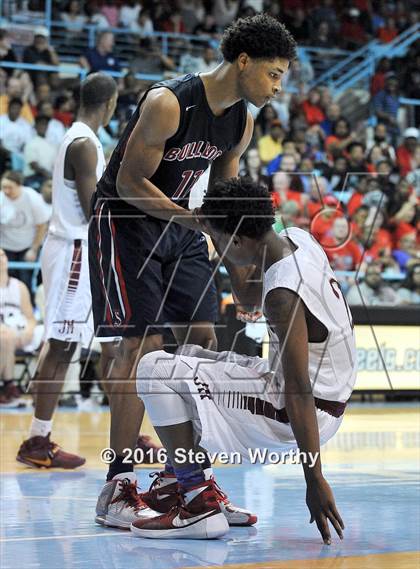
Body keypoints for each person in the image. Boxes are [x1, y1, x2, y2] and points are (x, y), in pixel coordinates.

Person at [89, 14, 297, 529]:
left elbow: (225, 206)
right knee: (141, 348)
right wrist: (195, 219)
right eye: (273, 74)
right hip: (125, 220)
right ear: (243, 61)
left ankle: (182, 479)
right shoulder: (168, 102)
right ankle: (118, 485)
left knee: (200, 341)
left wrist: (242, 274)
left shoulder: (240, 121)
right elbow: (132, 182)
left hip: (181, 223)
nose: (277, 87)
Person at [132, 177, 355, 541]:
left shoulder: (284, 295)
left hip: (305, 407)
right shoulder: (299, 238)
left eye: (218, 242)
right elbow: (249, 302)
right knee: (187, 357)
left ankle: (197, 502)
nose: (216, 251)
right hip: (318, 394)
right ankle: (186, 480)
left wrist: (314, 478)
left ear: (236, 238)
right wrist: (226, 246)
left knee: (153, 371)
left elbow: (298, 388)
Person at [16, 73, 118, 469]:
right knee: (60, 345)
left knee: (114, 342)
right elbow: (96, 210)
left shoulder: (82, 139)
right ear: (108, 105)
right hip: (75, 251)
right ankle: (37, 440)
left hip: (82, 251)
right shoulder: (82, 143)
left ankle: (129, 434)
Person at [0, 170, 50, 292]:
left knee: (25, 281)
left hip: (27, 246)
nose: (6, 191)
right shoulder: (1, 198)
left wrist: (33, 249)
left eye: (10, 187)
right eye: (3, 187)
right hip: (6, 246)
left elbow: (42, 225)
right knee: (6, 280)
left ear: (19, 185)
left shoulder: (32, 197)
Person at [0, 248, 37, 407]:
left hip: (20, 331)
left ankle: (38, 387)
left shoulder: (19, 286)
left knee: (51, 340)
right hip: (4, 333)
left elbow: (30, 317)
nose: (0, 259)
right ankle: (9, 386)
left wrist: (29, 330)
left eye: (2, 255)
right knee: (6, 337)